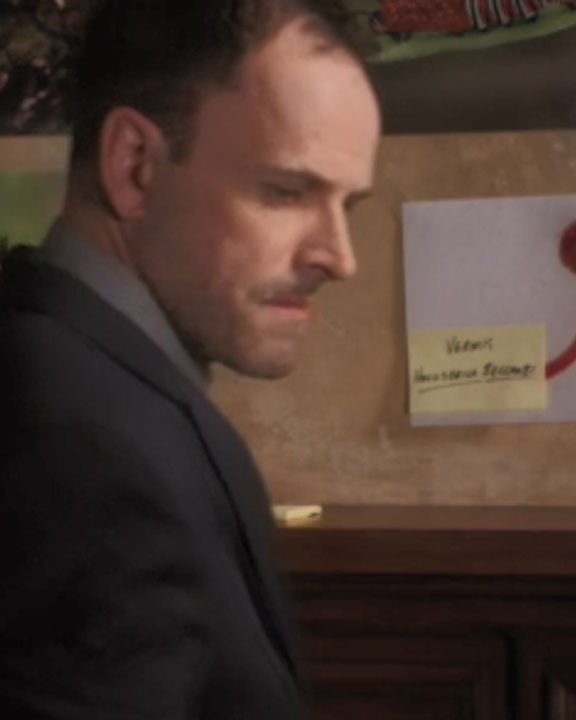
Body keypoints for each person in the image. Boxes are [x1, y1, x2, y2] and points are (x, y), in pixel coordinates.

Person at [0, 0, 380, 717]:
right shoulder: (79, 443)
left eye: (348, 206)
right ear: (135, 165)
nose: (339, 257)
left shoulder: (96, 389)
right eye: (285, 192)